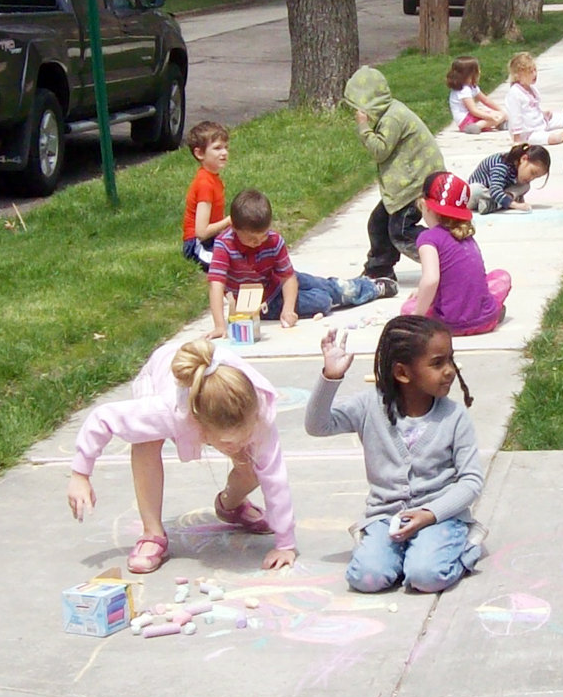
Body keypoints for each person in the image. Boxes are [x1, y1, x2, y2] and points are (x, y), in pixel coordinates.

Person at [66, 339, 297, 574]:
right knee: (145, 440)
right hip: (165, 373)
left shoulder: (258, 414)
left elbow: (275, 477)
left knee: (254, 460)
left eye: (243, 434)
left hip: (218, 388)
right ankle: (152, 533)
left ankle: (231, 506)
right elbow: (102, 418)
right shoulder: (166, 411)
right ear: (199, 426)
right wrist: (80, 474)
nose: (236, 444)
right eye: (227, 442)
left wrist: (285, 544)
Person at [307, 318, 485, 593]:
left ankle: (465, 544)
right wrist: (330, 377)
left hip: (439, 517)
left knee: (425, 577)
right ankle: (384, 546)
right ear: (403, 373)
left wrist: (428, 514)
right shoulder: (369, 406)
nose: (449, 371)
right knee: (366, 578)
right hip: (386, 517)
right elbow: (317, 426)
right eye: (438, 363)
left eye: (450, 360)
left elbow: (471, 481)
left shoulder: (454, 416)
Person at [207, 189, 394, 339]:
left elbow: (287, 277)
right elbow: (216, 284)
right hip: (261, 303)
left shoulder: (273, 241)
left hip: (278, 283)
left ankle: (370, 287)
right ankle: (345, 292)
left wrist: (288, 309)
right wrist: (219, 325)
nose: (258, 242)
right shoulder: (224, 244)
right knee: (322, 300)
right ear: (234, 228)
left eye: (262, 236)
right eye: (251, 239)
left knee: (328, 286)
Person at [343, 65, 446, 282]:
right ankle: (379, 268)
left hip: (416, 183)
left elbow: (380, 150)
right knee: (378, 223)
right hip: (409, 181)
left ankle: (444, 257)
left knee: (401, 230)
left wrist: (363, 128)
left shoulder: (392, 118)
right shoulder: (391, 112)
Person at [401, 172, 512, 336]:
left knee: (407, 308)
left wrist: (417, 316)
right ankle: (494, 311)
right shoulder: (465, 234)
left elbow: (431, 280)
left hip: (449, 325)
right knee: (501, 276)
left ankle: (422, 321)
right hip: (486, 320)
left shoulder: (428, 238)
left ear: (425, 205)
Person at [181, 120, 232, 271]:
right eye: (217, 148)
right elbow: (201, 232)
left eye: (225, 147)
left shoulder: (213, 179)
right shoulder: (205, 184)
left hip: (213, 239)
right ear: (199, 153)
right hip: (197, 244)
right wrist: (229, 221)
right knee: (229, 266)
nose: (224, 153)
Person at [466, 143, 551, 214]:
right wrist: (516, 205)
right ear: (523, 159)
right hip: (480, 193)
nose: (531, 178)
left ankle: (494, 204)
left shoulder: (516, 168)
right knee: (475, 190)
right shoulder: (502, 165)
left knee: (525, 186)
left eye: (536, 177)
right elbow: (494, 189)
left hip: (496, 193)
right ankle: (499, 203)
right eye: (532, 173)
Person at [504, 52, 563, 146]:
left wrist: (543, 114)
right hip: (529, 133)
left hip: (541, 122)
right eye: (530, 72)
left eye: (535, 70)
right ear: (518, 75)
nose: (534, 74)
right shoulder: (515, 93)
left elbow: (532, 111)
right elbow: (515, 117)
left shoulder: (531, 89)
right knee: (554, 138)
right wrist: (517, 140)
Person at [445, 55, 507, 134]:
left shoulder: (472, 87)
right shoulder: (464, 90)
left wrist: (500, 110)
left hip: (470, 117)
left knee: (500, 114)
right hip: (465, 121)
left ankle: (496, 123)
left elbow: (486, 100)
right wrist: (491, 117)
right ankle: (477, 126)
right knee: (496, 117)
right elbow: (473, 110)